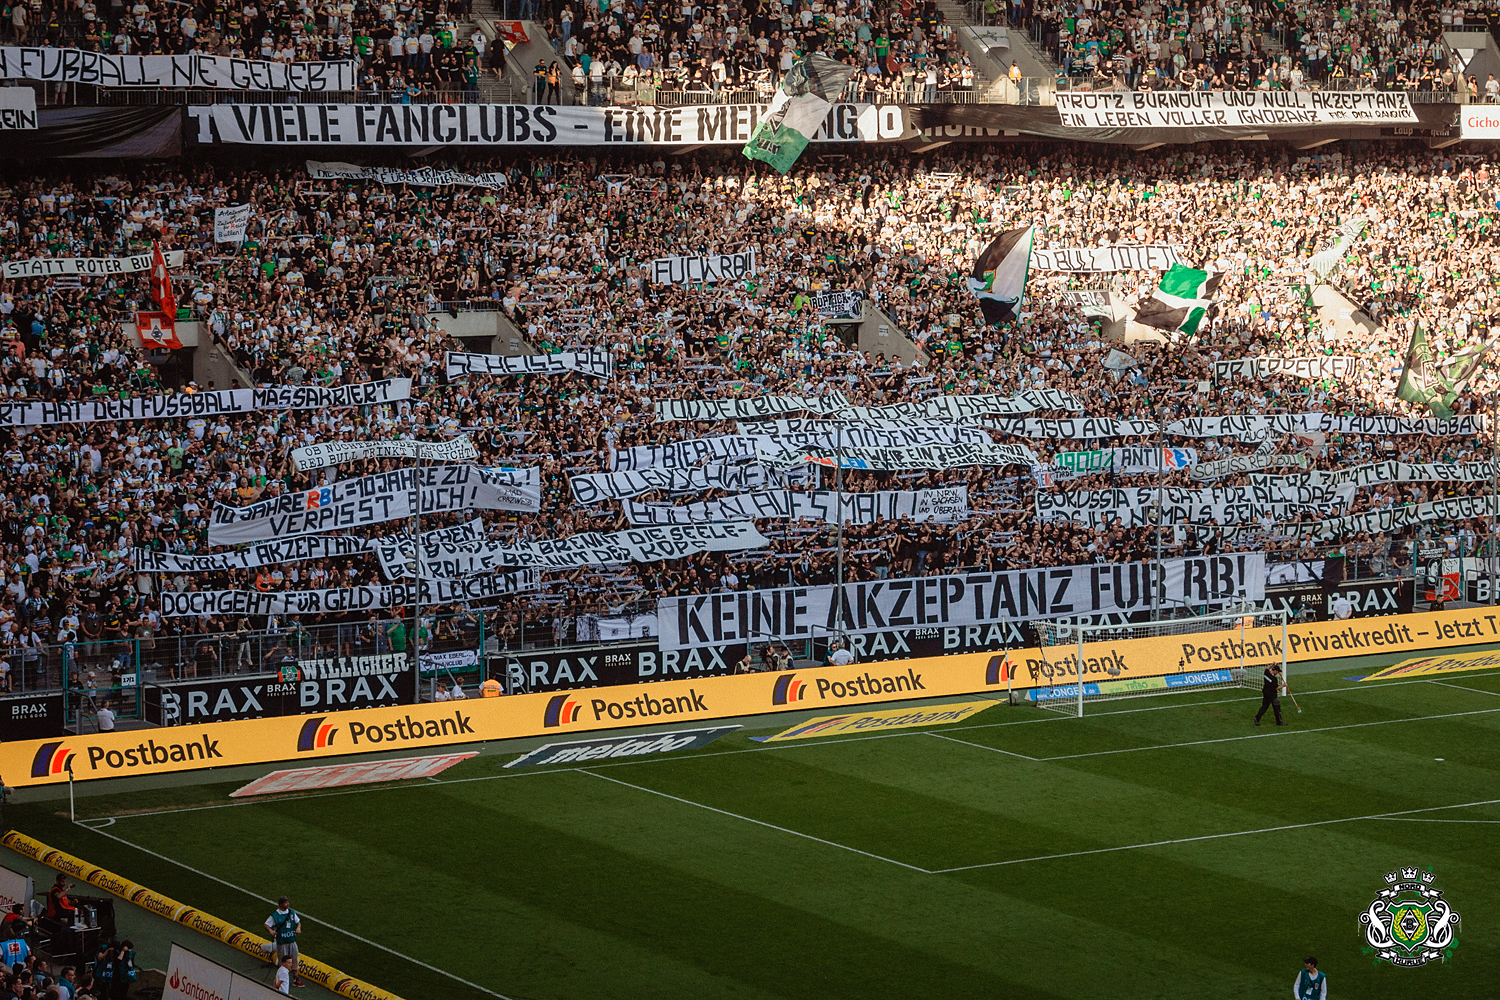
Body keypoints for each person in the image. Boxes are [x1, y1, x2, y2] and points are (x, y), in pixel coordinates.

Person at [263, 897, 302, 986]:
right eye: (285, 903)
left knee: (294, 960)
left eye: (288, 902)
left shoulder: (291, 912)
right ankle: (282, 980)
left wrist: (298, 928)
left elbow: (298, 922)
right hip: (282, 942)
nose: (287, 904)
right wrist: (271, 931)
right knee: (283, 962)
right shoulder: (275, 915)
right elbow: (266, 924)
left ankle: (296, 979)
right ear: (281, 904)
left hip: (292, 940)